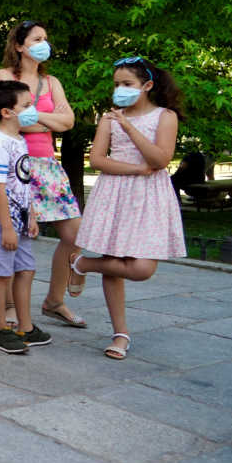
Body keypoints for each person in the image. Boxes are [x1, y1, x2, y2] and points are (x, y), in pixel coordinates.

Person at [70, 56, 186, 360]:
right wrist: (134, 169)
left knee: (142, 268)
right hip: (117, 190)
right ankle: (120, 334)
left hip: (150, 195)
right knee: (116, 261)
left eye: (127, 84)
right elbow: (97, 160)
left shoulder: (165, 116)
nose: (120, 89)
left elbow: (160, 160)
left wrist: (129, 127)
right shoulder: (109, 117)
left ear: (147, 85)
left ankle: (82, 264)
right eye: (117, 84)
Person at [0, 21, 86, 329]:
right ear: (20, 46)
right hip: (16, 164)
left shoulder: (51, 82)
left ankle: (53, 301)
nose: (43, 43)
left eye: (46, 38)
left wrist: (36, 118)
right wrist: (51, 121)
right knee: (15, 236)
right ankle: (8, 304)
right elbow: (11, 122)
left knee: (74, 234)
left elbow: (68, 121)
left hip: (47, 165)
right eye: (37, 38)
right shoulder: (5, 77)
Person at [0, 81, 52, 354]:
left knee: (26, 269)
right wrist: (7, 228)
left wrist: (31, 215)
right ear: (7, 112)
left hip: (18, 219)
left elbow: (23, 182)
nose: (32, 110)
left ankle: (26, 327)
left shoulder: (19, 140)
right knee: (1, 274)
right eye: (27, 106)